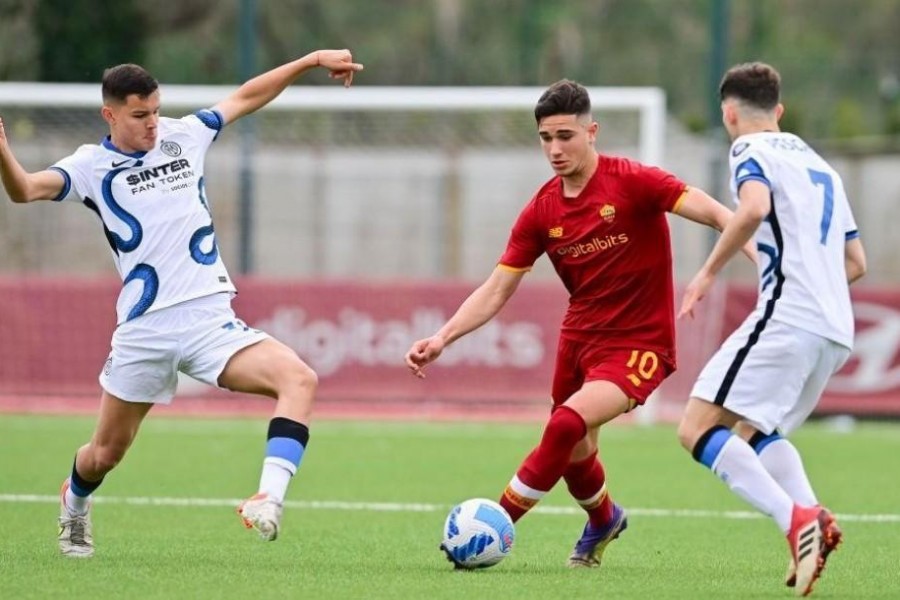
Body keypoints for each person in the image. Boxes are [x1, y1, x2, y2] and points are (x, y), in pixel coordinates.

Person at [0, 49, 363, 557]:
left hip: (211, 321)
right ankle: (75, 501)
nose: (153, 124)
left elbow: (246, 96)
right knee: (104, 455)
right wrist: (2, 151)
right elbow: (23, 190)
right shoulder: (88, 166)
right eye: (139, 115)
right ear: (110, 114)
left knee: (299, 378)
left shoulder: (184, 135)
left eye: (155, 110)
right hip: (145, 331)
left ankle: (267, 499)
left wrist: (309, 62)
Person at [404, 79, 749, 569]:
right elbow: (497, 287)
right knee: (575, 450)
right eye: (545, 138)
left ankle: (490, 527)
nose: (554, 148)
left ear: (592, 131)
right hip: (579, 341)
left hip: (640, 343)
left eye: (565, 136)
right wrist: (443, 337)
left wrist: (754, 248)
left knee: (564, 424)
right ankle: (605, 520)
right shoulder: (542, 210)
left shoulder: (634, 181)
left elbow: (717, 213)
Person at [676, 62, 867, 596]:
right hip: (836, 327)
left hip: (789, 315)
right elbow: (857, 262)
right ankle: (815, 519)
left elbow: (754, 207)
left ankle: (795, 520)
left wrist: (708, 272)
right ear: (779, 111)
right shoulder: (823, 166)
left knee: (695, 427)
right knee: (755, 432)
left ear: (729, 113)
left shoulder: (748, 150)